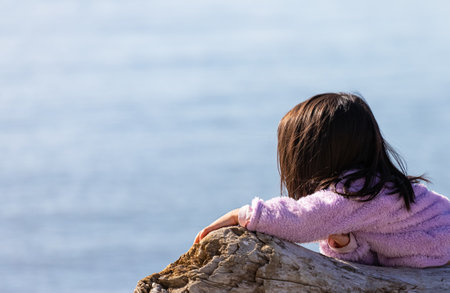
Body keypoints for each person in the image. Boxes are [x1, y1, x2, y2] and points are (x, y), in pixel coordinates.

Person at [193, 92, 450, 268]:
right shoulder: (371, 191)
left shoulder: (354, 192)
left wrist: (245, 215)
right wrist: (346, 246)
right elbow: (376, 257)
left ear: (312, 156)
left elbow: (301, 219)